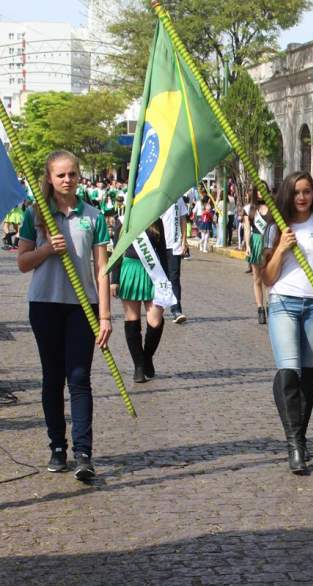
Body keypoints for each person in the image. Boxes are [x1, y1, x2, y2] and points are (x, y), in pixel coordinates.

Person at [17, 150, 112, 481]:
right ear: (50, 178)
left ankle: (84, 453)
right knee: (53, 377)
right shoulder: (35, 214)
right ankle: (58, 446)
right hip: (45, 305)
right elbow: (23, 262)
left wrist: (105, 316)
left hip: (82, 307)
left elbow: (102, 269)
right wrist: (46, 249)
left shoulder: (94, 216)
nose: (67, 180)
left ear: (78, 175)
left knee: (80, 378)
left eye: (72, 174)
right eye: (60, 175)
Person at [261, 171, 313, 475]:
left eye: (307, 191)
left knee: (308, 375)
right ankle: (295, 445)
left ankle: (300, 435)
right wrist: (281, 248)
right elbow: (267, 278)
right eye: (296, 191)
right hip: (283, 302)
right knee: (289, 371)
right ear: (288, 194)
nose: (301, 197)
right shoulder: (275, 228)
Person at [111, 218, 168, 383]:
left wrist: (166, 280)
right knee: (132, 319)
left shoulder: (156, 219)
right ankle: (139, 366)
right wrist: (114, 280)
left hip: (153, 272)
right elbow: (116, 251)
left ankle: (147, 357)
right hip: (130, 270)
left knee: (155, 321)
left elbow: (162, 251)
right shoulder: (124, 219)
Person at [244, 183, 273, 324]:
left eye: (264, 189)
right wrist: (248, 246)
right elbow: (247, 229)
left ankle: (270, 306)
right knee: (257, 279)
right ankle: (260, 308)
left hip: (270, 244)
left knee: (270, 277)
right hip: (256, 243)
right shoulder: (250, 209)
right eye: (259, 190)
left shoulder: (274, 209)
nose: (261, 193)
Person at [161, 193, 189, 324]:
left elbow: (183, 219)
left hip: (174, 244)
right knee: (159, 277)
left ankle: (176, 310)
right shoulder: (158, 196)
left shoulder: (178, 197)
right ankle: (156, 307)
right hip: (158, 244)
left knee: (174, 277)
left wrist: (184, 240)